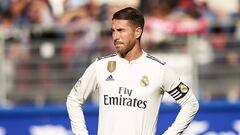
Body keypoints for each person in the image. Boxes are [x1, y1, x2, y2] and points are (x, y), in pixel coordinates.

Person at [66, 7, 199, 135]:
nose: (115, 36)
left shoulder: (159, 69)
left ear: (138, 32)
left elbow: (190, 103)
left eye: (121, 30)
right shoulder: (101, 66)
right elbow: (74, 99)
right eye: (113, 31)